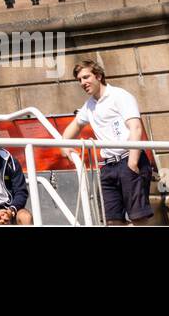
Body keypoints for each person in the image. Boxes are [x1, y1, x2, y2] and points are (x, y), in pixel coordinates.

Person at [61, 58, 154, 226]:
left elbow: (136, 128)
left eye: (86, 77)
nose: (83, 82)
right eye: (80, 80)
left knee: (138, 218)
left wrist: (132, 164)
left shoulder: (119, 95)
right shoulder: (89, 106)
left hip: (128, 159)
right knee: (111, 220)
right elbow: (73, 128)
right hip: (108, 167)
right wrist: (65, 147)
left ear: (98, 76)